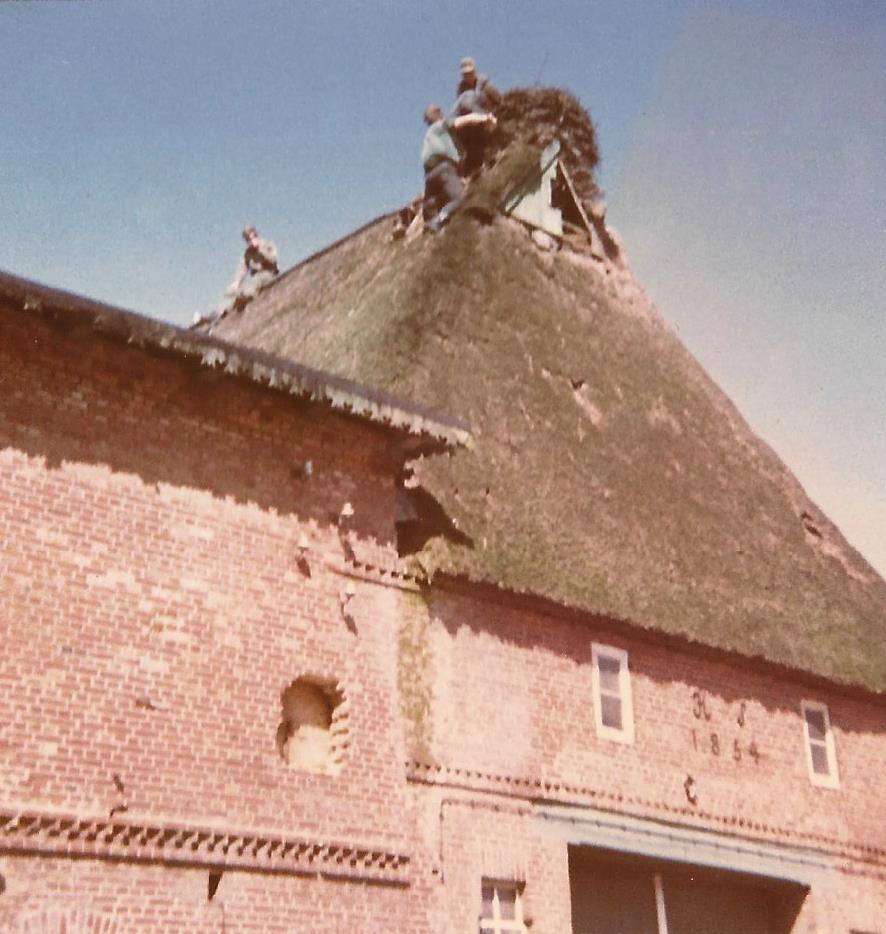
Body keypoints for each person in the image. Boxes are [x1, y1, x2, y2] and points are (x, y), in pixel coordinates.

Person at [421, 104, 496, 231]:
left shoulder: (429, 135)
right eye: (440, 112)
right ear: (438, 115)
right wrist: (486, 118)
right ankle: (440, 219)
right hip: (444, 168)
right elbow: (465, 120)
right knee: (460, 198)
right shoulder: (441, 125)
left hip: (429, 175)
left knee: (433, 204)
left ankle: (432, 225)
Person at [451, 57, 501, 176]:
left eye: (470, 73)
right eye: (465, 74)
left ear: (474, 71)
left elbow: (498, 100)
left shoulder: (485, 84)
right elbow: (463, 106)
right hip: (473, 120)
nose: (467, 76)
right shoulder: (461, 89)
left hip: (488, 116)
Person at [215, 226, 279, 318]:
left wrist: (260, 250)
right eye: (248, 239)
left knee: (253, 282)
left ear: (256, 236)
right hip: (255, 277)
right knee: (232, 290)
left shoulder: (267, 244)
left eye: (252, 237)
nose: (251, 241)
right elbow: (242, 268)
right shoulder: (248, 253)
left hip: (269, 273)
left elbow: (273, 259)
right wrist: (236, 282)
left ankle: (247, 295)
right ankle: (223, 311)